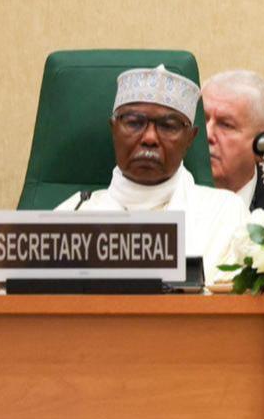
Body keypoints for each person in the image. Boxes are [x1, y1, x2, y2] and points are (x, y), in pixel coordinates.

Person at [55, 65, 250, 281]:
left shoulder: (225, 214)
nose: (150, 138)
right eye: (134, 123)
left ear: (190, 139)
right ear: (113, 129)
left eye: (168, 126)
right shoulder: (72, 215)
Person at [202, 69, 264, 210]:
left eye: (226, 125)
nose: (207, 134)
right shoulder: (163, 192)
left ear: (262, 145)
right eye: (201, 119)